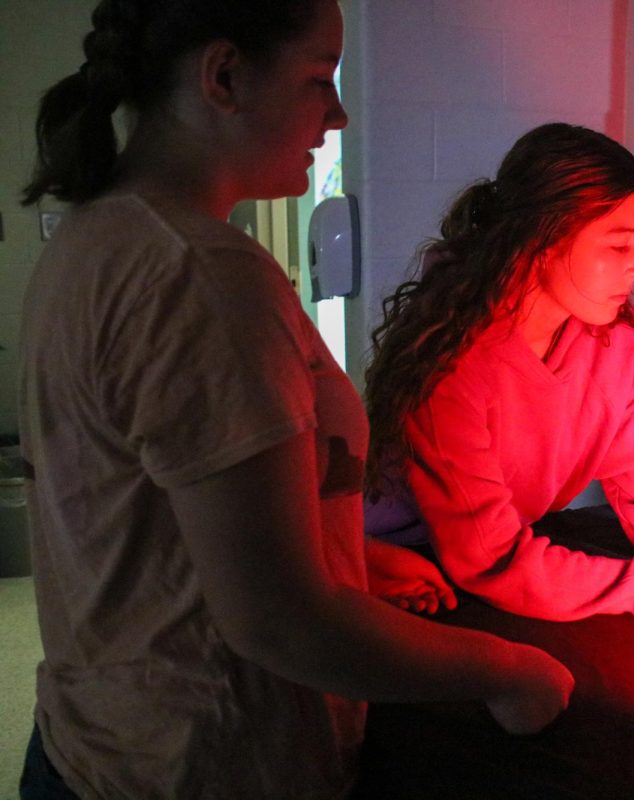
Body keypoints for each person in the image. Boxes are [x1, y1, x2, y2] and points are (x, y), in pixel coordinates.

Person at [16, 2, 572, 798]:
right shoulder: (201, 275)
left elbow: (144, 515)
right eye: (319, 79)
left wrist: (340, 547)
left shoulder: (99, 234)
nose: (336, 112)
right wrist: (510, 670)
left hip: (97, 746)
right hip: (198, 766)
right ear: (225, 76)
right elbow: (280, 622)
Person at [363, 123, 634, 629]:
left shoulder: (617, 354)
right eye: (620, 246)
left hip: (479, 566)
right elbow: (491, 560)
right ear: (539, 244)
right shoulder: (452, 368)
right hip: (395, 558)